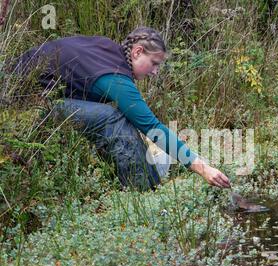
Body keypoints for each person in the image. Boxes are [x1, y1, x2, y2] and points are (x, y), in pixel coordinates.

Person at [10, 27, 231, 191]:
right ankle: (144, 192)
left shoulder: (107, 49)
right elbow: (152, 127)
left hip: (26, 95)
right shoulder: (115, 77)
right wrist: (203, 168)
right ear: (137, 52)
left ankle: (140, 176)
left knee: (107, 115)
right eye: (154, 63)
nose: (155, 72)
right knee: (112, 119)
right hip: (22, 102)